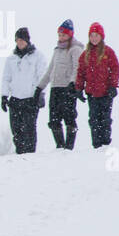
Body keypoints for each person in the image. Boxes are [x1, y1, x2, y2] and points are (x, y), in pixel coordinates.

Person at [37, 19, 84, 149]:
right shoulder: (57, 50)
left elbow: (77, 68)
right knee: (53, 119)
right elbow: (49, 70)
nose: (61, 37)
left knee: (69, 117)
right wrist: (39, 87)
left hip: (68, 88)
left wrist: (73, 83)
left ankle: (69, 146)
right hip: (55, 88)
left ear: (70, 35)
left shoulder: (75, 49)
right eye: (59, 35)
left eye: (63, 35)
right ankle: (60, 145)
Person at [0, 27, 47, 154]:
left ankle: (30, 157)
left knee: (29, 130)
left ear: (27, 40)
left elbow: (42, 76)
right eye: (17, 40)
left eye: (22, 40)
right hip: (15, 100)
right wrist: (4, 96)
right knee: (16, 132)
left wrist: (40, 93)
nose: (20, 43)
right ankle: (19, 156)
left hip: (30, 99)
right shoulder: (11, 59)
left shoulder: (38, 56)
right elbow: (6, 78)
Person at [76, 22, 119, 149]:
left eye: (96, 35)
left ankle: (106, 143)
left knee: (105, 119)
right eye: (91, 35)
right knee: (94, 119)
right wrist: (79, 88)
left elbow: (115, 69)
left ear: (101, 36)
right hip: (92, 93)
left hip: (106, 92)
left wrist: (113, 86)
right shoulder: (85, 54)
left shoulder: (108, 52)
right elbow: (80, 73)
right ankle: (96, 144)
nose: (94, 38)